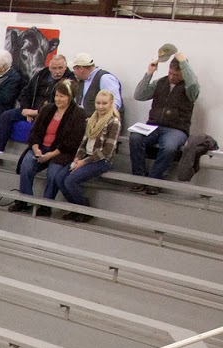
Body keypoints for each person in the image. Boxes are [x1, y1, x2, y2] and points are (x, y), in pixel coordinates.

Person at [9, 80, 84, 216]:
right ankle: (24, 200)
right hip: (41, 148)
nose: (58, 99)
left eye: (62, 96)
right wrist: (36, 149)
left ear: (70, 97)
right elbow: (34, 133)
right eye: (56, 95)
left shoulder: (78, 114)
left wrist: (51, 154)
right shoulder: (46, 109)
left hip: (62, 152)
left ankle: (46, 205)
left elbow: (72, 142)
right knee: (26, 165)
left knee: (53, 173)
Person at [129, 50, 199, 193]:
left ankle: (154, 181)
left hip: (177, 128)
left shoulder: (189, 88)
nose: (172, 77)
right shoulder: (160, 82)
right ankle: (139, 178)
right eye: (170, 73)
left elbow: (193, 85)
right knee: (135, 137)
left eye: (176, 75)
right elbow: (139, 95)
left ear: (184, 74)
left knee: (169, 147)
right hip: (153, 125)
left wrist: (184, 63)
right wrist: (149, 73)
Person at [0, 53, 68, 155]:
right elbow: (25, 93)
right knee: (6, 116)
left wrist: (36, 112)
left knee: (39, 124)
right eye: (54, 68)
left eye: (60, 68)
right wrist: (25, 109)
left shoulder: (68, 81)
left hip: (49, 114)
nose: (57, 71)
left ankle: (34, 155)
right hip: (30, 109)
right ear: (49, 67)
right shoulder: (40, 75)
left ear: (65, 67)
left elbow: (59, 104)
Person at [58, 90, 121, 221]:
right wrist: (77, 158)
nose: (101, 106)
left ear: (111, 104)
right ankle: (75, 208)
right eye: (98, 103)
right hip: (86, 157)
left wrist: (84, 162)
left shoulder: (114, 122)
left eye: (104, 103)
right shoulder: (91, 120)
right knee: (59, 178)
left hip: (101, 160)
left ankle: (85, 210)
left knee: (70, 180)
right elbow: (83, 144)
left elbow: (107, 151)